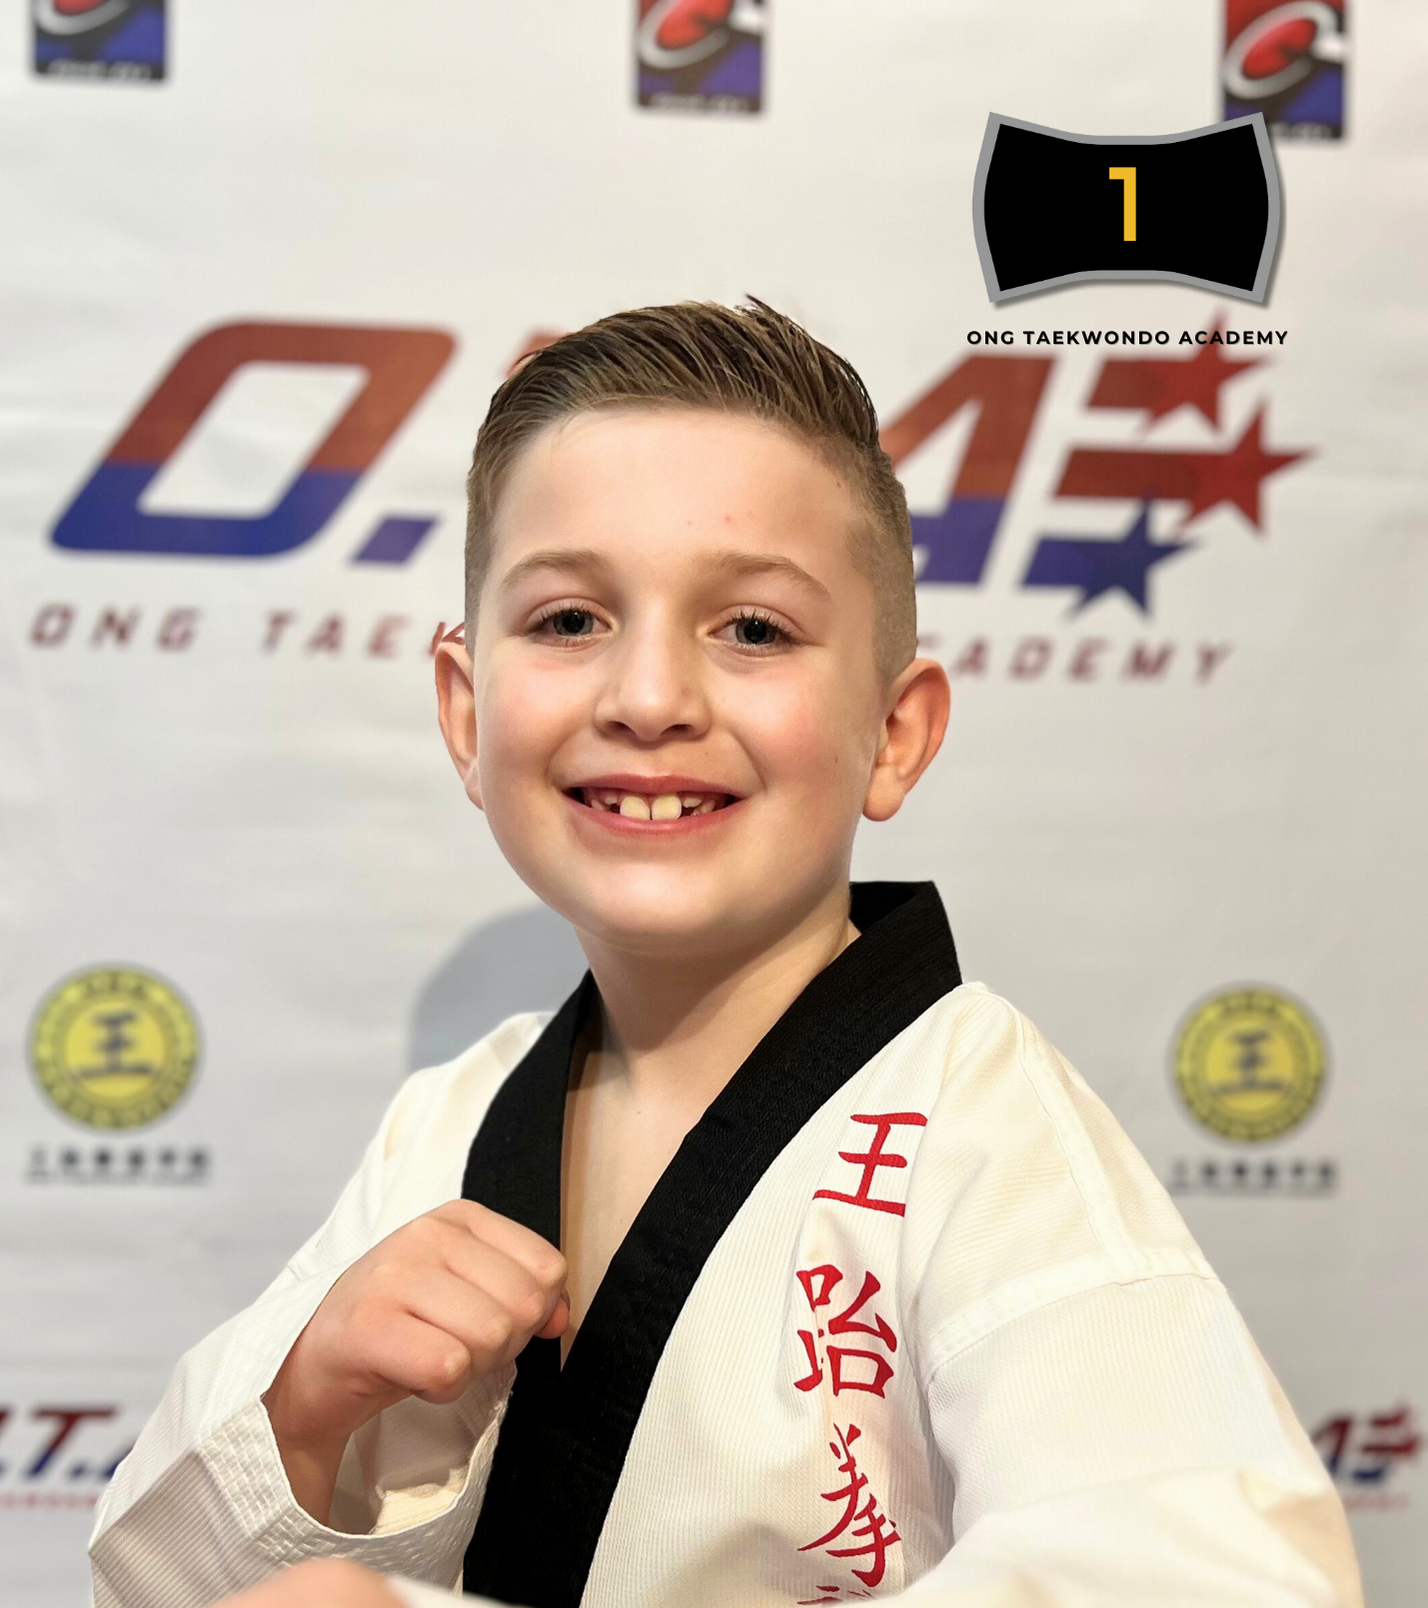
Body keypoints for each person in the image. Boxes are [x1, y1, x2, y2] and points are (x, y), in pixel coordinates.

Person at [89, 301, 1363, 1608]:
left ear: (897, 732)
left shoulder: (982, 1133)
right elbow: (153, 1582)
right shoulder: (455, 1126)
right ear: (465, 716)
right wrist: (304, 1415)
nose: (648, 698)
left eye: (753, 629)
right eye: (571, 619)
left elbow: (1213, 1577)